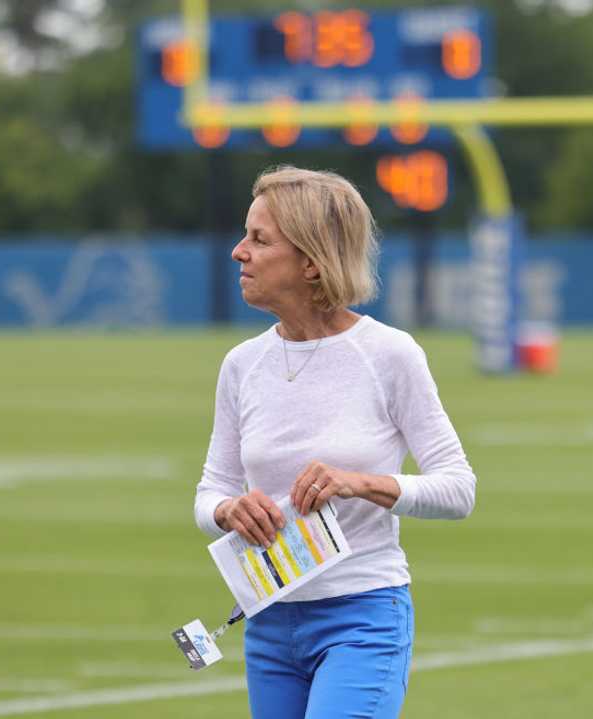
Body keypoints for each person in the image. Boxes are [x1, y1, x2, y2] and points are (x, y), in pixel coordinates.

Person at [194, 166, 476, 719]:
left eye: (259, 239)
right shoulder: (241, 365)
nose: (237, 252)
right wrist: (229, 510)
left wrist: (363, 484)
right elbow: (211, 491)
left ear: (312, 261)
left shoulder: (390, 355)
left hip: (363, 618)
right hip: (269, 619)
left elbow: (459, 489)